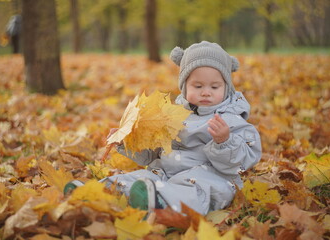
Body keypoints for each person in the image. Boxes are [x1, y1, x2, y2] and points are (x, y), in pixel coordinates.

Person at [66, 41, 262, 215]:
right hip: (163, 173)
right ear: (185, 87)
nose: (206, 93)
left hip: (206, 177)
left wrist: (224, 141)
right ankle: (95, 195)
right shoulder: (172, 116)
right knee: (136, 179)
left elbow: (243, 161)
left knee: (193, 191)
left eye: (214, 87)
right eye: (198, 86)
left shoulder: (231, 120)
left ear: (226, 88)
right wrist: (127, 140)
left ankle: (159, 204)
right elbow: (153, 153)